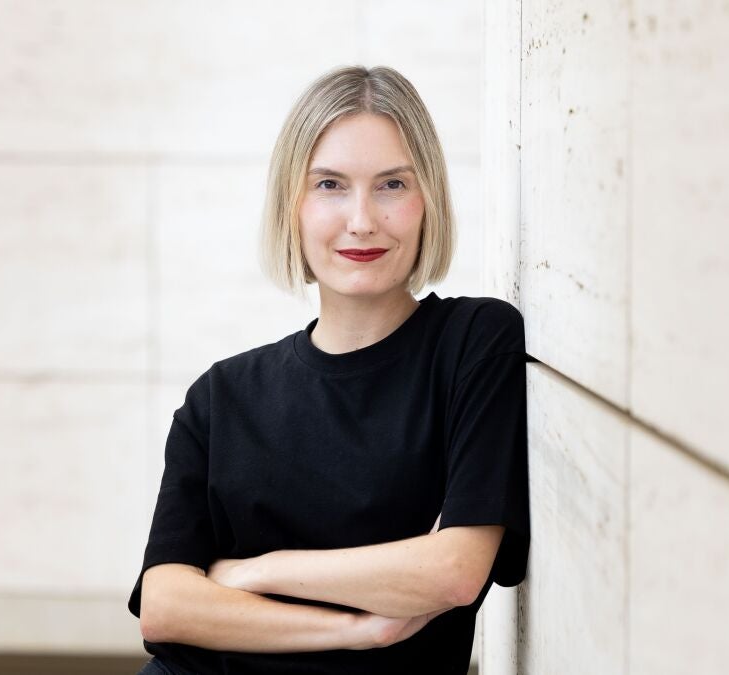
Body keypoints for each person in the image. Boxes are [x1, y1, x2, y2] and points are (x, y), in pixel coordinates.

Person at [127, 65, 530, 675]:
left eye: (392, 184)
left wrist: (257, 571)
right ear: (292, 205)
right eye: (330, 185)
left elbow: (454, 570)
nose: (362, 220)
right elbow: (164, 607)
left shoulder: (474, 342)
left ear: (428, 201)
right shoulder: (221, 397)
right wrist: (358, 630)